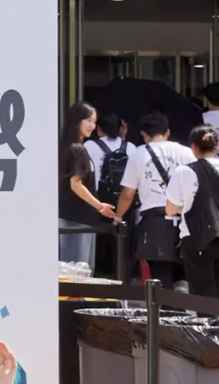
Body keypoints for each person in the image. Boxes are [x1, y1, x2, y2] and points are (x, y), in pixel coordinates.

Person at [114, 113, 192, 290]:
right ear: (168, 132)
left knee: (159, 270)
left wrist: (118, 217)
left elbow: (127, 194)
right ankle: (182, 289)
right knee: (183, 266)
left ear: (144, 134)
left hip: (155, 220)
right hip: (185, 218)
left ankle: (166, 303)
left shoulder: (139, 154)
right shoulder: (187, 153)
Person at [163, 125, 219, 299]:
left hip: (196, 237)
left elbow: (171, 209)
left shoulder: (184, 171)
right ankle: (214, 316)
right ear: (217, 145)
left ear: (193, 147)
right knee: (216, 291)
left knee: (202, 293)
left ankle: (209, 317)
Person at [58, 103, 117, 266]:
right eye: (88, 120)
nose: (92, 125)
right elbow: (75, 184)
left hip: (77, 218)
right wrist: (100, 206)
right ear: (77, 120)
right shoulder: (77, 149)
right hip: (76, 219)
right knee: (76, 271)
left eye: (94, 121)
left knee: (79, 271)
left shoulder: (69, 147)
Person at [83, 111, 130, 277]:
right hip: (126, 202)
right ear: (121, 128)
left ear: (98, 128)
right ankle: (123, 277)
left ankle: (100, 275)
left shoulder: (89, 146)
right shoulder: (131, 147)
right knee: (123, 246)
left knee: (100, 244)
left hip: (98, 201)